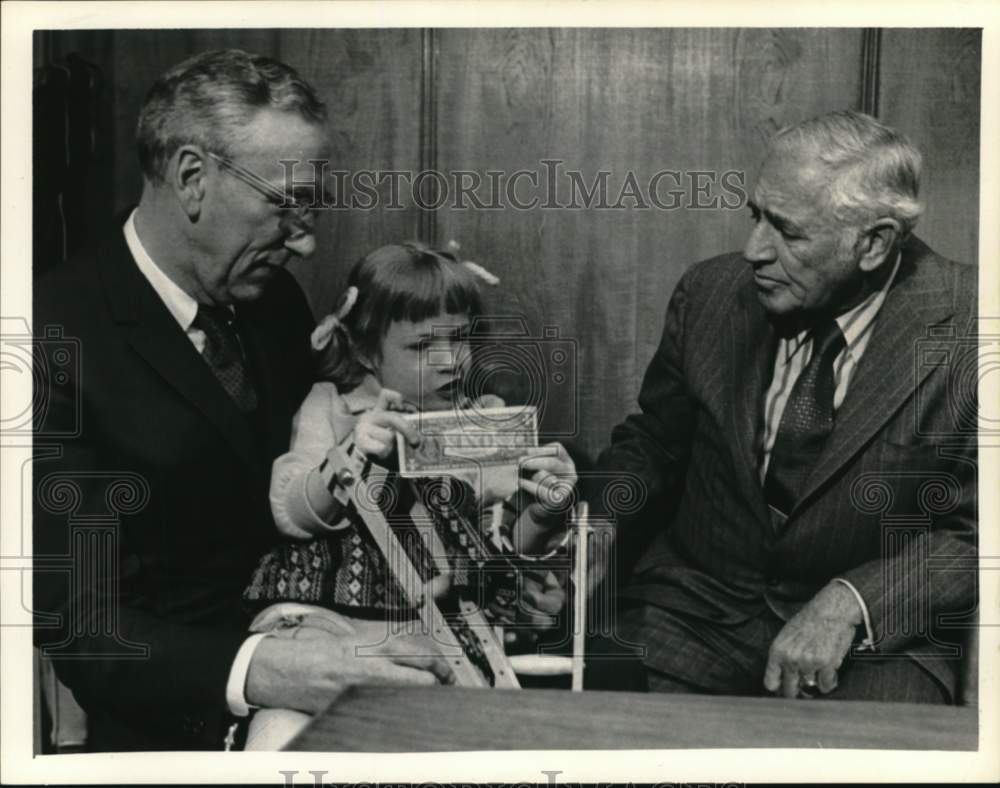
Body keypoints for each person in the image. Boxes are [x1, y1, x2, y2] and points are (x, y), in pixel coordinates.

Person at [32, 50, 450, 752]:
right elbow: (88, 626)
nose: (309, 241)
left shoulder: (271, 300)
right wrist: (274, 669)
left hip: (328, 648)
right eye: (285, 204)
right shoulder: (48, 335)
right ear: (192, 178)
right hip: (176, 725)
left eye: (311, 207)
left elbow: (309, 489)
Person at [594, 110, 977, 703]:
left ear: (873, 242)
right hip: (699, 613)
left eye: (788, 232)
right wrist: (587, 528)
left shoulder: (975, 328)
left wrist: (853, 603)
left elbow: (980, 533)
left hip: (874, 642)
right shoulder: (710, 294)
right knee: (588, 712)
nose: (753, 251)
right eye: (757, 217)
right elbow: (654, 445)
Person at [240, 241, 575, 748]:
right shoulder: (332, 407)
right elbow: (291, 512)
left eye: (459, 339)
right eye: (422, 347)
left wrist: (546, 511)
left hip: (433, 627)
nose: (448, 362)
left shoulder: (480, 418)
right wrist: (350, 454)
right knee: (281, 733)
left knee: (469, 732)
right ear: (364, 350)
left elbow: (506, 547)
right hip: (330, 627)